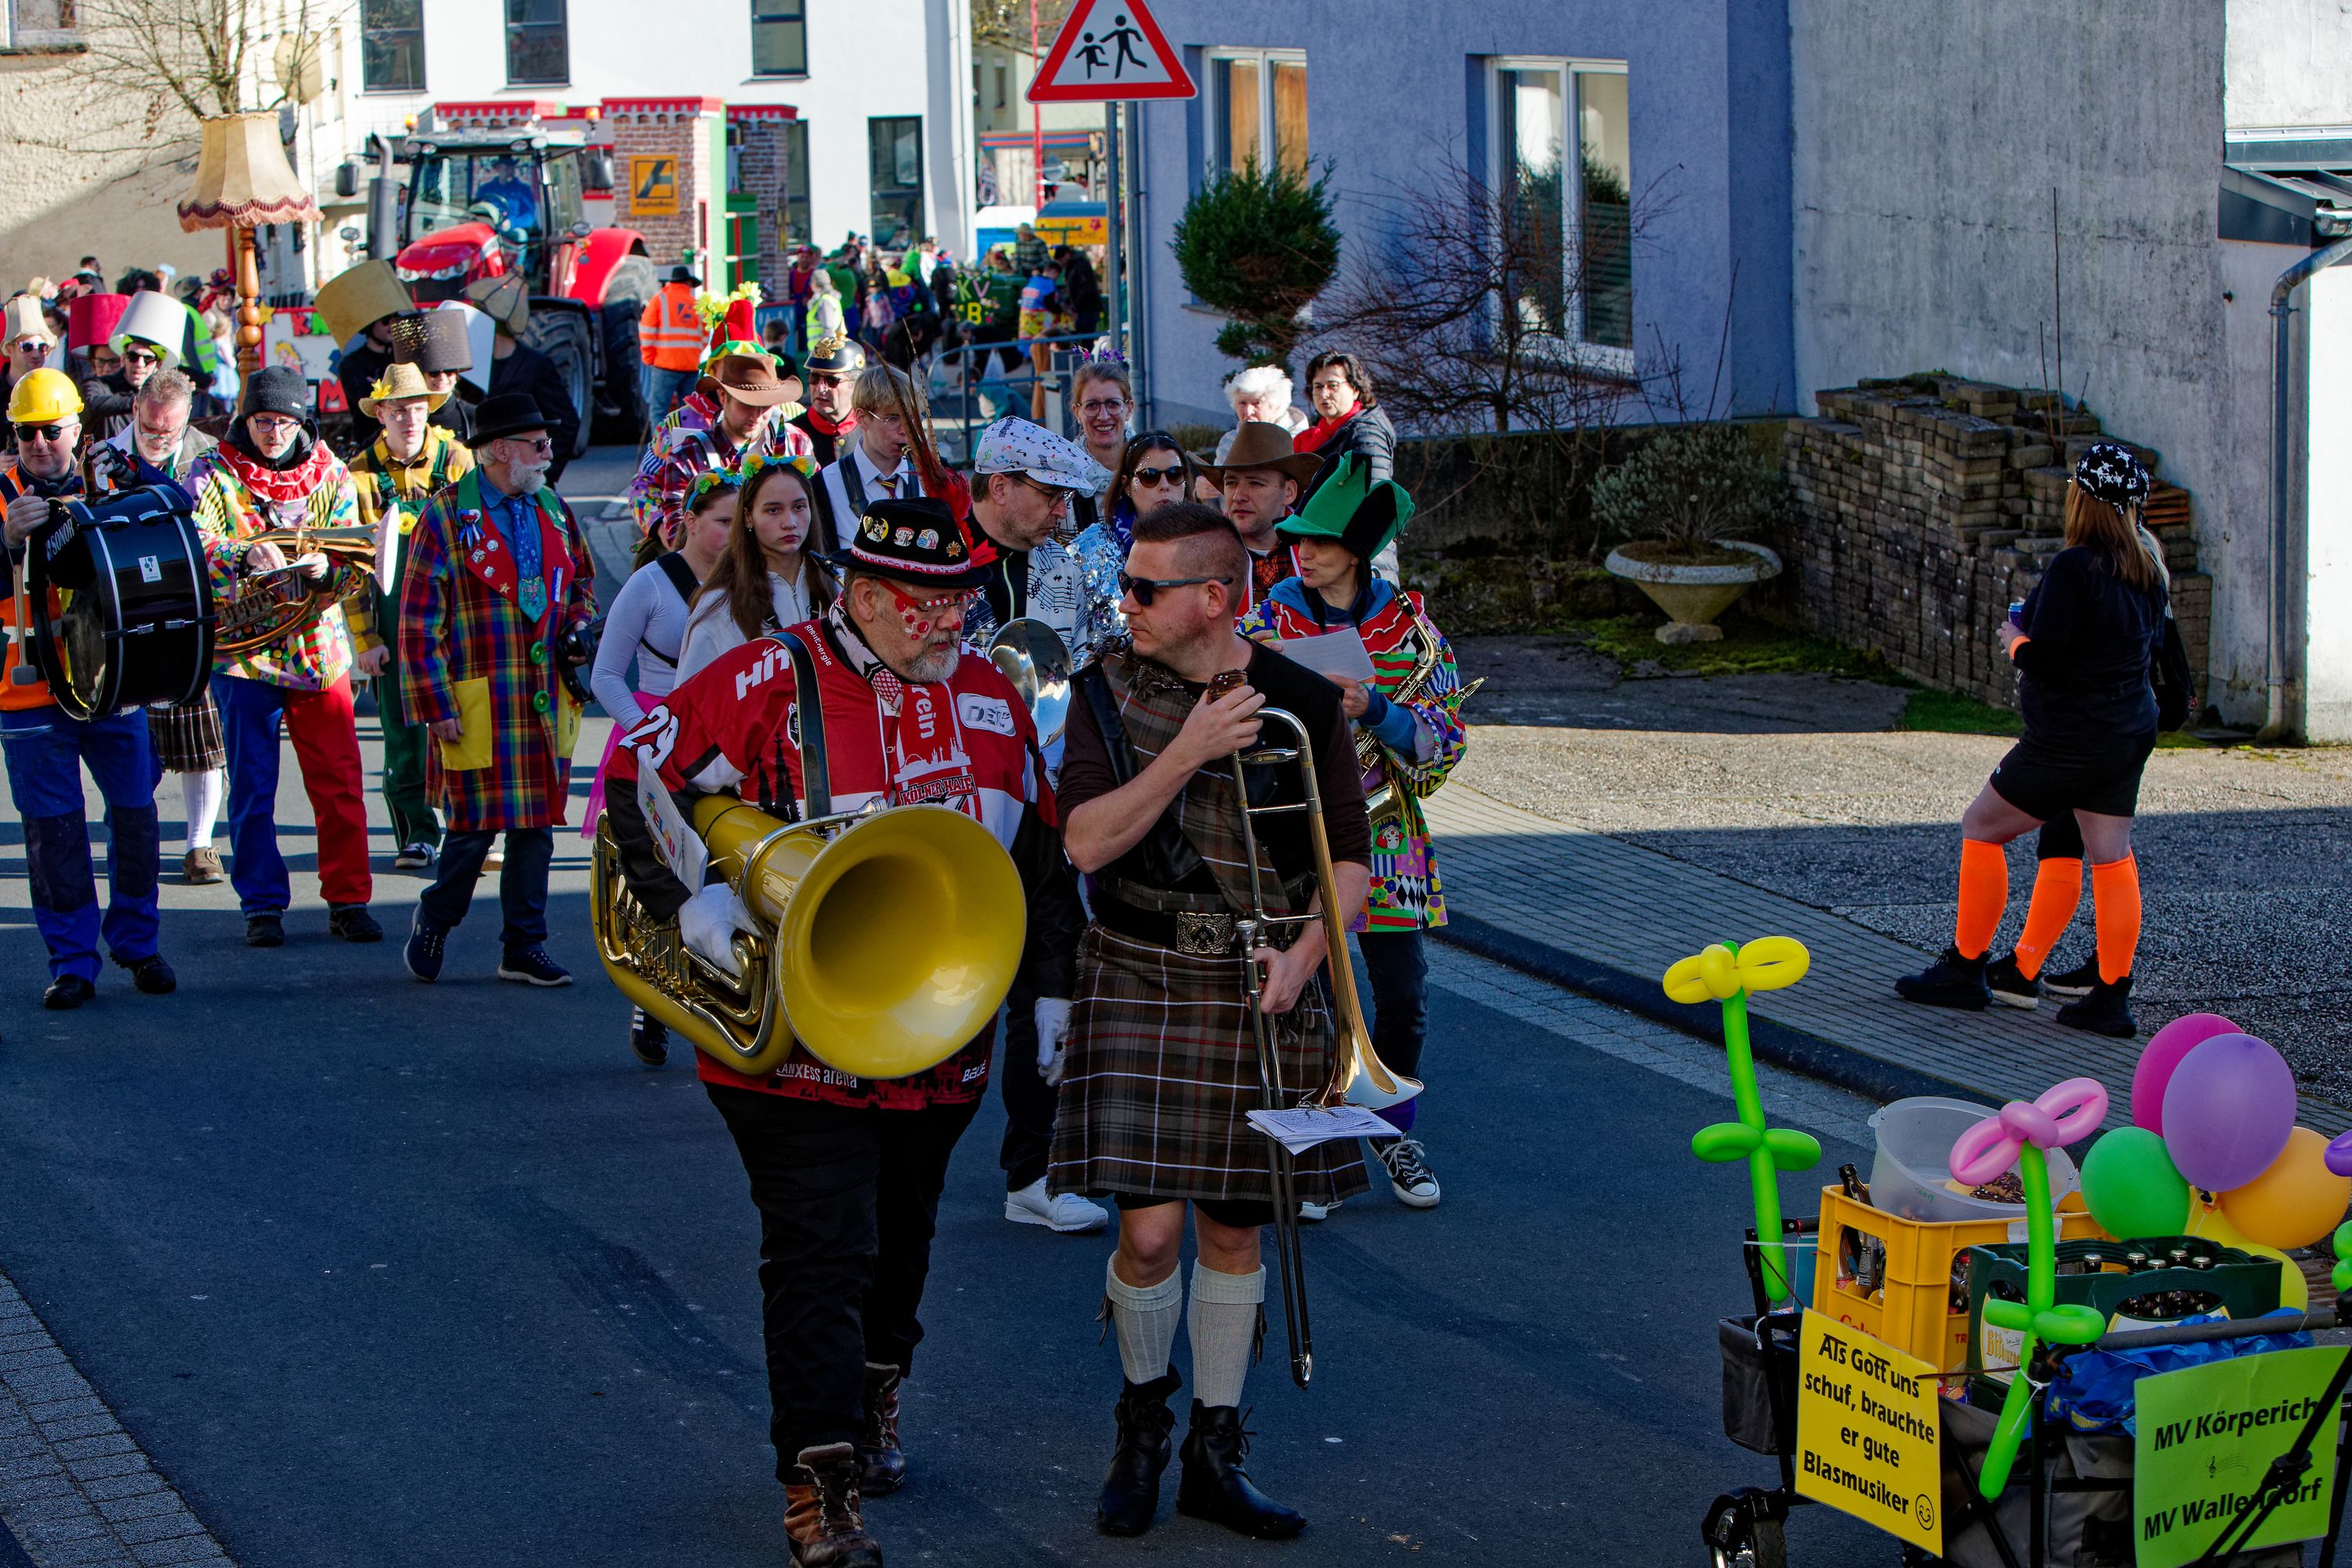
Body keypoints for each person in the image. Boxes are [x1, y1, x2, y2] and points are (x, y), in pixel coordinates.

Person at [602, 499, 1080, 1568]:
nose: (952, 623)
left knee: (900, 1247)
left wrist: (1053, 989)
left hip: (937, 1042)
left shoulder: (996, 696)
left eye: (961, 601)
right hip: (793, 1052)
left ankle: (873, 1400)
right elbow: (641, 776)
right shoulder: (768, 677)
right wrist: (692, 902)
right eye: (926, 606)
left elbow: (1039, 861)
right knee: (821, 1252)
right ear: (863, 596)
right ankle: (818, 1482)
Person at [1049, 501, 1370, 1541]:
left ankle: (1214, 1451)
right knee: (1146, 1238)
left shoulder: (1302, 700)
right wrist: (1187, 748)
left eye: (1145, 590)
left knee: (1232, 1230)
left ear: (1214, 600)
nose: (1125, 604)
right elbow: (1088, 846)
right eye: (1125, 585)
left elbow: (1352, 863)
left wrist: (1310, 957)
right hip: (1140, 971)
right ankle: (1140, 1429)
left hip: (1263, 985)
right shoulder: (1103, 695)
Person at [1240, 456, 1468, 1207]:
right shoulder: (1268, 618)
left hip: (1387, 837)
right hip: (1298, 832)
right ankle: (1324, 1156)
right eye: (1298, 536)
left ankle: (1395, 1132)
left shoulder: (1409, 625)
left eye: (1320, 539)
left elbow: (1449, 735)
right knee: (1316, 996)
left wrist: (1376, 713)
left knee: (1403, 997)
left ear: (1356, 550)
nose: (1301, 549)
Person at [1895, 441, 2170, 1038]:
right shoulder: (2147, 567)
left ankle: (1967, 967)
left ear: (2082, 499)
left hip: (2069, 737)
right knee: (2112, 857)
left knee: (1982, 827)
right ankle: (2111, 997)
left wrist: (2014, 639)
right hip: (2127, 731)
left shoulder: (2077, 567)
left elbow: (2050, 659)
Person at [960, 418, 1120, 1236]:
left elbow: (1103, 658)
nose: (1062, 511)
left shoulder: (1065, 563)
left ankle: (1035, 1167)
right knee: (949, 977)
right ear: (999, 486)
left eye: (1067, 495)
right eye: (1048, 493)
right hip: (953, 804)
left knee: (1052, 973)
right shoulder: (936, 557)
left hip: (1050, 803)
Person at [397, 394, 596, 989]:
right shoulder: (445, 516)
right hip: (477, 697)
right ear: (499, 451)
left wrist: (579, 627)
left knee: (536, 827)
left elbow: (581, 582)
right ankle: (436, 916)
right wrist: (435, 704)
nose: (548, 453)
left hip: (542, 694)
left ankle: (523, 947)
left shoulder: (553, 508)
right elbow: (416, 621)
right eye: (537, 445)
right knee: (471, 833)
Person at [0, 368, 176, 1008]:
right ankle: (72, 961)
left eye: (53, 430)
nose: (42, 443)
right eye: (28, 433)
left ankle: (138, 943)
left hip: (112, 685)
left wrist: (138, 475)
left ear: (77, 428)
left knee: (136, 817)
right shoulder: (0, 496)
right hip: (28, 694)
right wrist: (6, 540)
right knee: (55, 835)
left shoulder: (106, 480)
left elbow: (177, 513)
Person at [191, 366, 381, 948]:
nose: (273, 432)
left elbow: (358, 558)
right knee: (252, 785)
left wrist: (331, 571)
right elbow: (195, 544)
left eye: (283, 421)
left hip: (318, 651)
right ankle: (261, 904)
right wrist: (242, 557)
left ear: (302, 421)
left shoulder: (332, 474)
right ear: (244, 419)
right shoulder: (210, 471)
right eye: (262, 421)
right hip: (244, 655)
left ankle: (348, 899)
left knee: (341, 781)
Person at [584, 469, 735, 1069]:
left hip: (721, 746)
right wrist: (646, 733)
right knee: (657, 874)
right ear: (690, 522)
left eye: (737, 521)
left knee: (719, 869)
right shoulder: (650, 583)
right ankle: (652, 995)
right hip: (652, 739)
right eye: (722, 520)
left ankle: (721, 994)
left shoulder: (749, 585)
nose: (733, 531)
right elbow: (604, 676)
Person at [98, 369, 226, 883]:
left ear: (187, 420)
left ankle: (200, 845)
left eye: (166, 433)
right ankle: (132, 832)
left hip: (189, 600)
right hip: (125, 606)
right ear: (135, 411)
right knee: (132, 735)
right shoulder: (102, 454)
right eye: (148, 430)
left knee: (202, 734)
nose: (155, 441)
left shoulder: (210, 455)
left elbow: (210, 525)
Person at [346, 361, 474, 873]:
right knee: (403, 735)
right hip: (392, 620)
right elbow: (352, 567)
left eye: (419, 409)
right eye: (399, 411)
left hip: (454, 615)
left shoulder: (456, 460)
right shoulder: (359, 475)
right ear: (381, 413)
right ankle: (417, 832)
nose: (410, 420)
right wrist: (364, 637)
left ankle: (473, 824)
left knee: (468, 722)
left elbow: (478, 538)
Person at [630, 343, 811, 547]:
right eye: (747, 404)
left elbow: (815, 509)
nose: (757, 415)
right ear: (723, 396)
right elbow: (676, 533)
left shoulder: (796, 442)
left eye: (766, 405)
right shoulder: (687, 452)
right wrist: (661, 529)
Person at [677, 456, 837, 682]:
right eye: (773, 510)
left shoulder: (840, 590)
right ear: (748, 517)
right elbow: (691, 705)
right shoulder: (719, 606)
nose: (789, 522)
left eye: (799, 507)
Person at [813, 362, 965, 552]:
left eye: (912, 418)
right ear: (861, 418)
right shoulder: (825, 484)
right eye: (892, 418)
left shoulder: (938, 473)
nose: (906, 430)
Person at [1297, 353, 1399, 583]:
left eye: (1333, 385)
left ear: (1355, 389)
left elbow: (1376, 504)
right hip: (1332, 560)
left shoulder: (1367, 433)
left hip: (1364, 561)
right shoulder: (1320, 436)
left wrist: (1359, 564)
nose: (1324, 394)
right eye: (1317, 386)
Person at [466, 274, 579, 482]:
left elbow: (567, 423)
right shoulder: (473, 366)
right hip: (486, 480)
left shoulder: (536, 366)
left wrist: (544, 473)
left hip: (525, 483)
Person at [1200, 421, 1319, 606]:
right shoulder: (1200, 553)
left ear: (1289, 492)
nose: (1238, 496)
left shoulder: (1322, 552)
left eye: (1256, 483)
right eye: (1231, 483)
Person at [318, 260, 416, 452]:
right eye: (386, 319)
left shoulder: (404, 357)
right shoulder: (351, 364)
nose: (391, 324)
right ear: (370, 325)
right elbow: (368, 403)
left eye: (395, 317)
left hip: (406, 441)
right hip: (369, 445)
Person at [78, 292, 184, 442]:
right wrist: (147, 399)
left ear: (158, 364)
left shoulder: (163, 393)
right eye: (133, 357)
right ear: (123, 358)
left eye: (148, 359)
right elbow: (94, 403)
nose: (139, 364)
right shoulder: (98, 385)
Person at [1067, 358, 1134, 539]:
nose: (1103, 416)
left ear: (1129, 409)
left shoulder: (1155, 470)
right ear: (1077, 413)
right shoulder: (1061, 478)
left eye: (1113, 404)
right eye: (1092, 406)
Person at [388, 309, 477, 442]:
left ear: (457, 375)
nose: (442, 378)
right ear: (420, 375)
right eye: (434, 373)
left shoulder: (474, 415)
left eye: (449, 371)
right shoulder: (403, 418)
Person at [640, 264, 704, 429]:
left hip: (664, 365)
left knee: (659, 411)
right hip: (691, 366)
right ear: (688, 284)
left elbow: (647, 332)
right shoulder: (697, 305)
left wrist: (648, 358)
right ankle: (687, 448)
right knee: (688, 411)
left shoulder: (659, 300)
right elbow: (704, 338)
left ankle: (658, 451)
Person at [789, 331, 863, 466]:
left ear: (856, 384)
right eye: (814, 378)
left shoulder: (871, 431)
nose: (821, 388)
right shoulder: (792, 435)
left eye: (831, 380)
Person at [1212, 365, 1308, 464]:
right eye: (1242, 403)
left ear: (1277, 405)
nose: (1248, 411)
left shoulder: (1303, 440)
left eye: (1256, 403)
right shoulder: (1228, 442)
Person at [1058, 247, 1102, 336]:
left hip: (1084, 309)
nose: (1061, 262)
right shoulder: (1078, 264)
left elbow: (1082, 289)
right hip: (1086, 308)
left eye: (1061, 259)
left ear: (1067, 255)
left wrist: (1074, 307)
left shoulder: (1077, 266)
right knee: (1086, 340)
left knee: (1082, 339)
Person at [804, 267, 847, 352]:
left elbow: (828, 329)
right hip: (821, 349)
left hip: (821, 350)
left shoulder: (825, 301)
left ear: (815, 284)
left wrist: (825, 351)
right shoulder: (831, 299)